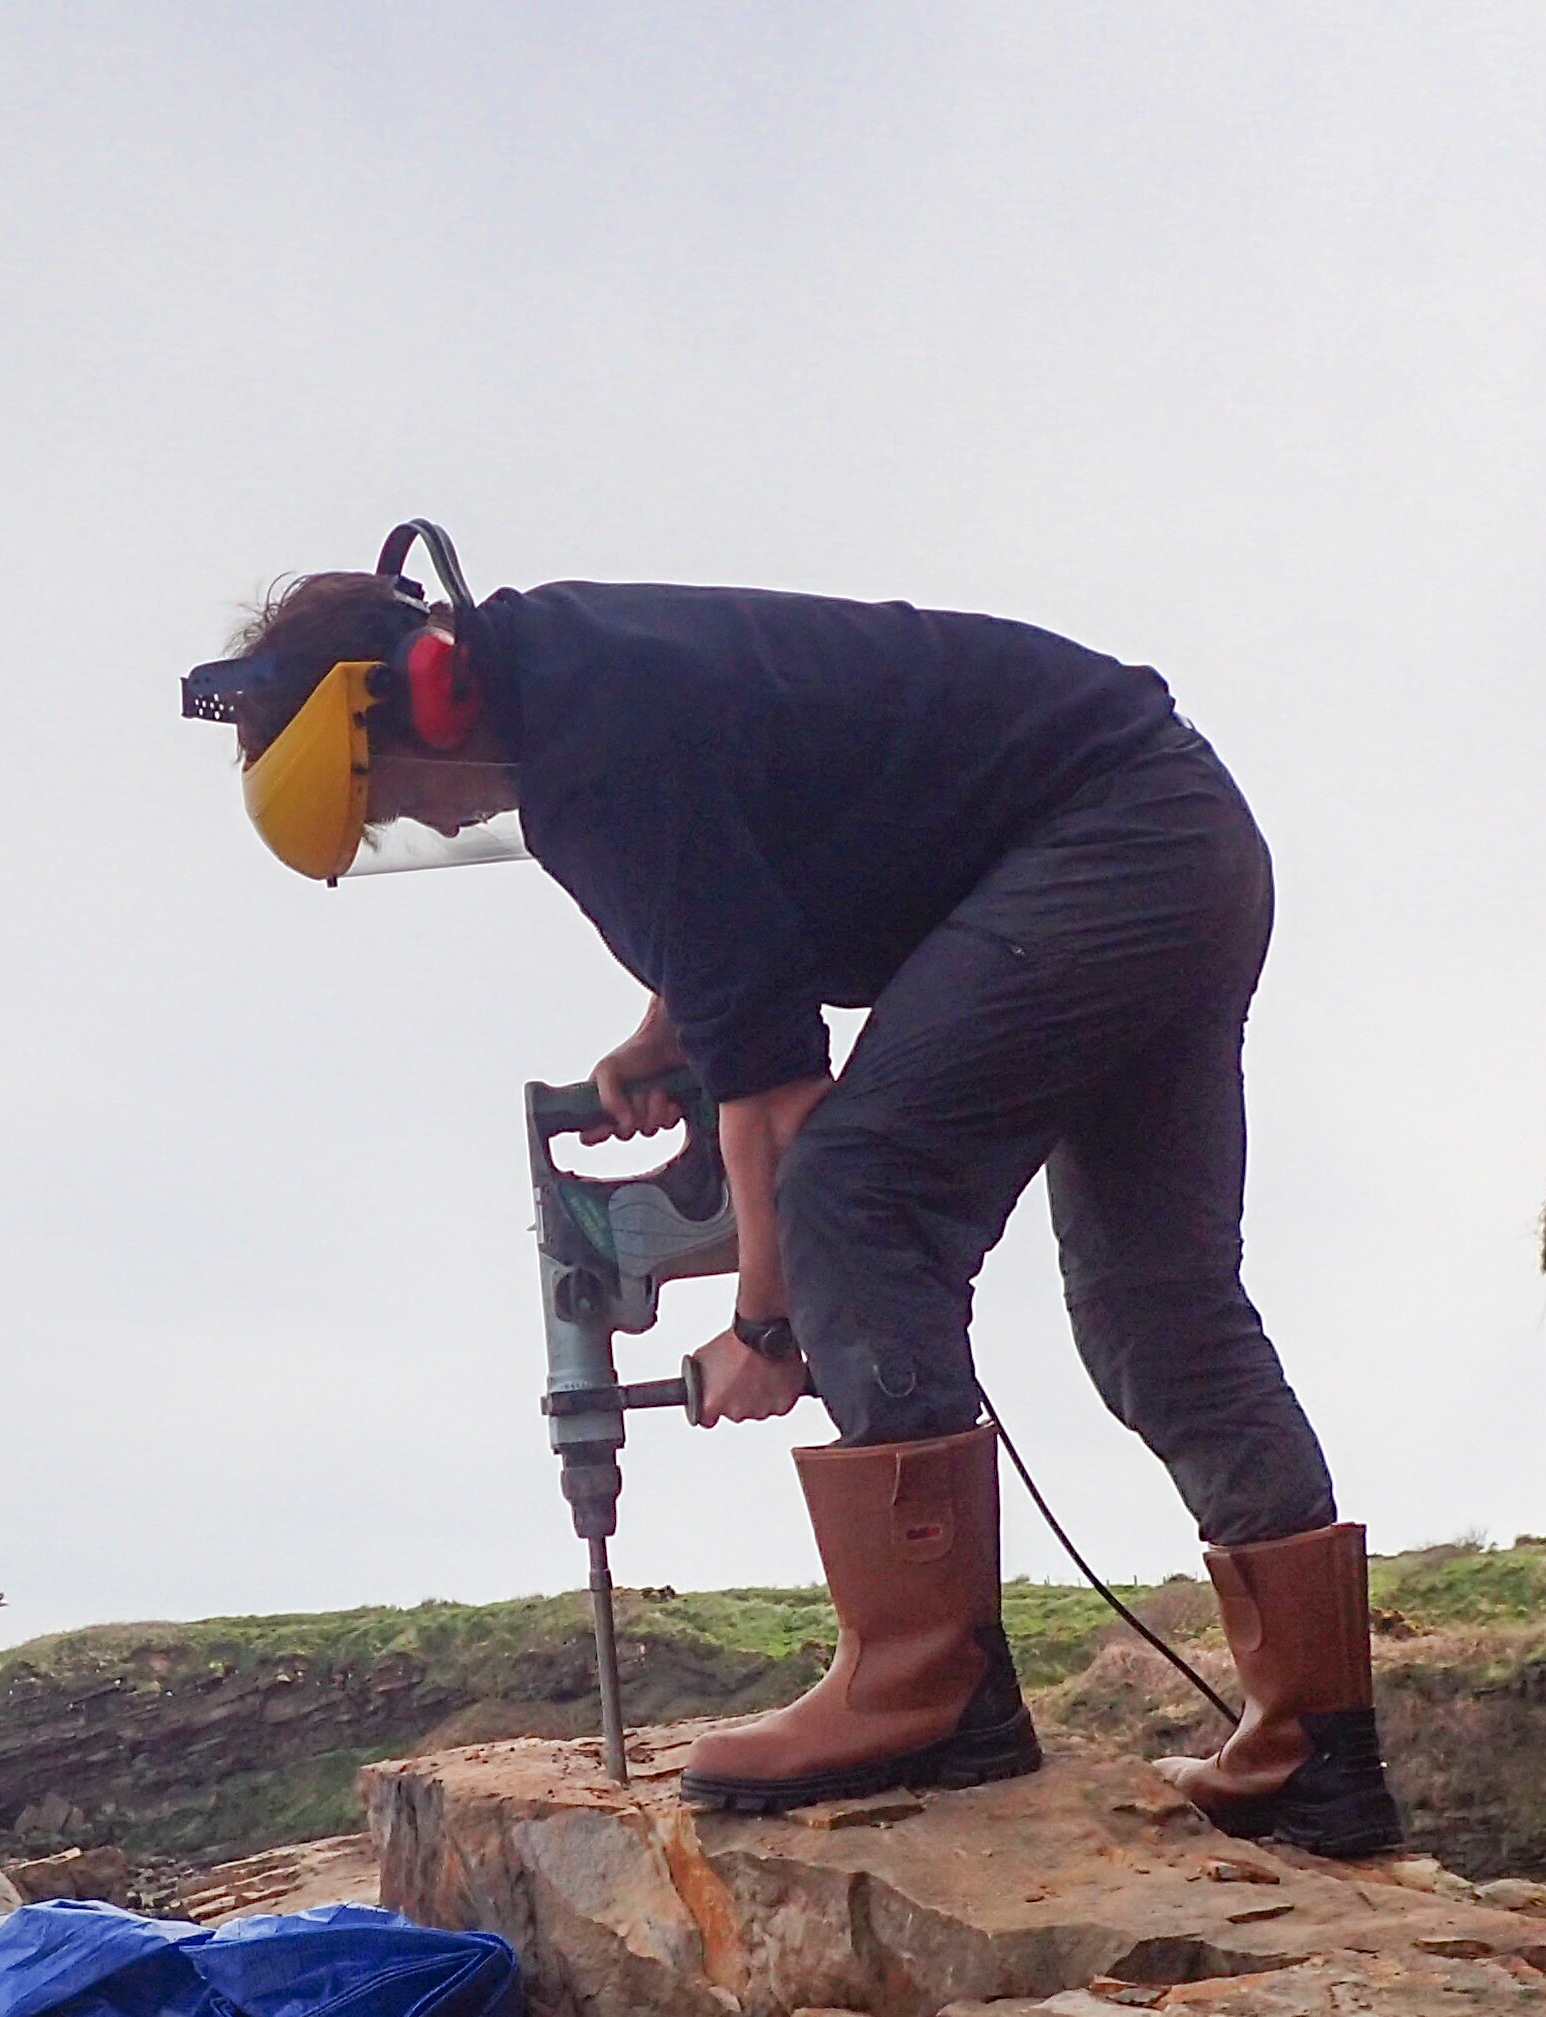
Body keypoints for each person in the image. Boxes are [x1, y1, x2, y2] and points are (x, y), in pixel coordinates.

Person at [181, 526, 1401, 1856]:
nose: (425, 817)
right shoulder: (577, 684)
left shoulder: (593, 756)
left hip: (1108, 836)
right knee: (1158, 1312)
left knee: (854, 1187)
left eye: (392, 795)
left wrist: (772, 1326)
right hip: (1181, 835)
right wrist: (667, 1033)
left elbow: (776, 1100)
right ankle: (1316, 1759)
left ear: (421, 696)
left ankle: (930, 1688)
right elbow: (726, 914)